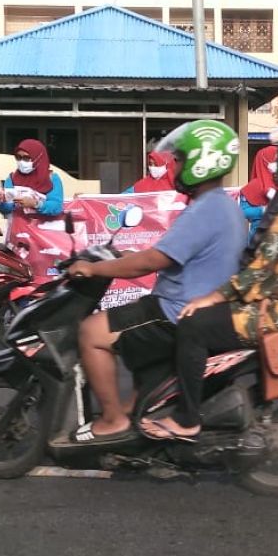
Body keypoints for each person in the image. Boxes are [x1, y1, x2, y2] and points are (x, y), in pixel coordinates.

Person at [139, 119, 278, 442]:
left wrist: (213, 297)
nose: (277, 159)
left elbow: (260, 274)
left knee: (194, 325)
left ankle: (187, 418)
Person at [63, 119, 247, 443]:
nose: (173, 165)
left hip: (175, 311)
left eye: (180, 159)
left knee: (90, 331)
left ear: (201, 163)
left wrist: (93, 269)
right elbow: (171, 252)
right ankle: (137, 414)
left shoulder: (206, 209)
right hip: (189, 305)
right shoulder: (221, 206)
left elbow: (150, 262)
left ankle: (112, 420)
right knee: (133, 329)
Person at [0, 138, 64, 218]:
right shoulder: (12, 179)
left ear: (38, 158)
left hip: (43, 228)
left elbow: (57, 207)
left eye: (26, 158)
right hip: (18, 229)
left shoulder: (52, 179)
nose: (22, 161)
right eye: (18, 157)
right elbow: (7, 209)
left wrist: (35, 204)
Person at [238, 145, 278, 240]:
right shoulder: (253, 186)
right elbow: (242, 212)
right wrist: (263, 210)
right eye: (275, 158)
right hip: (258, 238)